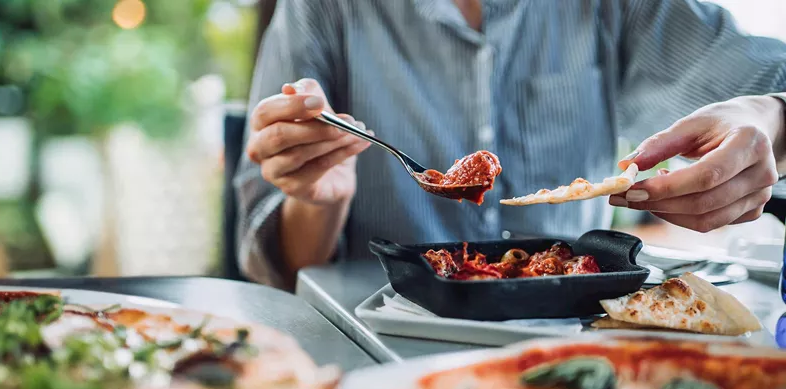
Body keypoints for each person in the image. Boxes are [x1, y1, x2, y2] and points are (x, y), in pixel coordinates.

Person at [235, 0, 786, 290]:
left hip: (571, 336)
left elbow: (768, 75)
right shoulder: (323, 7)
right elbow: (276, 270)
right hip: (374, 338)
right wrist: (317, 197)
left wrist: (772, 115)